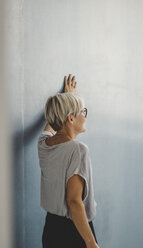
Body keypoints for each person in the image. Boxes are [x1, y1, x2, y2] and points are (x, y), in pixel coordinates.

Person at [37, 75, 99, 248]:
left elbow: (52, 126)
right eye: (83, 111)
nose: (85, 116)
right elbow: (74, 201)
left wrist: (66, 98)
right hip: (75, 231)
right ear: (71, 118)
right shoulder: (78, 150)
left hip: (51, 229)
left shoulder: (44, 144)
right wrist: (91, 242)